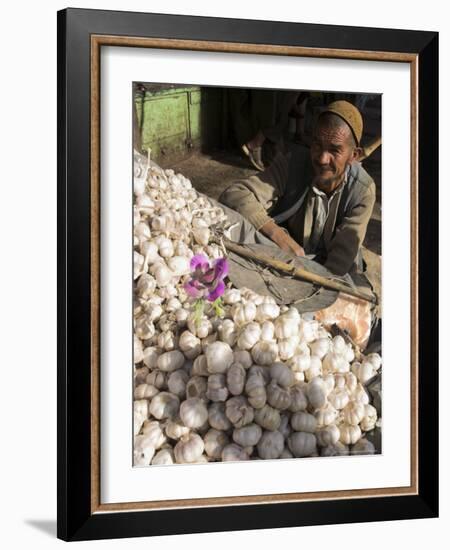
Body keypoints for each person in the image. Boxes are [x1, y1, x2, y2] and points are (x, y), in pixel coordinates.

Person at [219, 100, 376, 278]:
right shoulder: (292, 163)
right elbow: (235, 194)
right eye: (317, 145)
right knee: (234, 225)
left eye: (334, 150)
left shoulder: (363, 190)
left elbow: (340, 259)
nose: (323, 158)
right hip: (288, 254)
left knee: (354, 287)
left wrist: (317, 286)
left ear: (353, 155)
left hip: (329, 268)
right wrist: (277, 234)